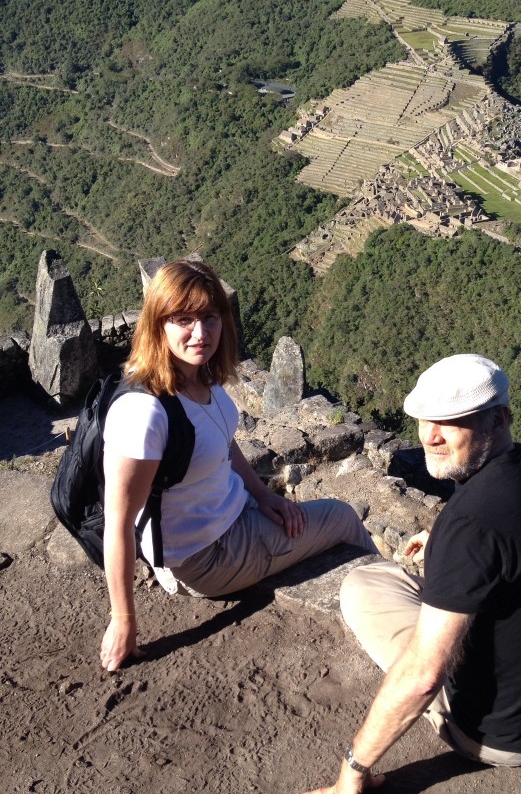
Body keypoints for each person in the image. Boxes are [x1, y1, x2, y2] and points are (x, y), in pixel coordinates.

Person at [292, 354, 521, 794]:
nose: (430, 434)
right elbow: (501, 537)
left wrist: (352, 771)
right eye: (425, 418)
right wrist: (442, 535)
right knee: (395, 580)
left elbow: (424, 677)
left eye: (453, 420)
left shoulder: (472, 527)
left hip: (508, 736)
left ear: (499, 417)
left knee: (364, 586)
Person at [100, 259, 376, 672]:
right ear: (158, 324)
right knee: (342, 517)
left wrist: (262, 495)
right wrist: (123, 620)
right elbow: (118, 521)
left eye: (209, 317)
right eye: (183, 319)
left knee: (314, 514)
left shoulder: (198, 375)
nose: (200, 333)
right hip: (202, 557)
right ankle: (398, 619)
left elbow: (223, 445)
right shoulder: (145, 413)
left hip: (232, 513)